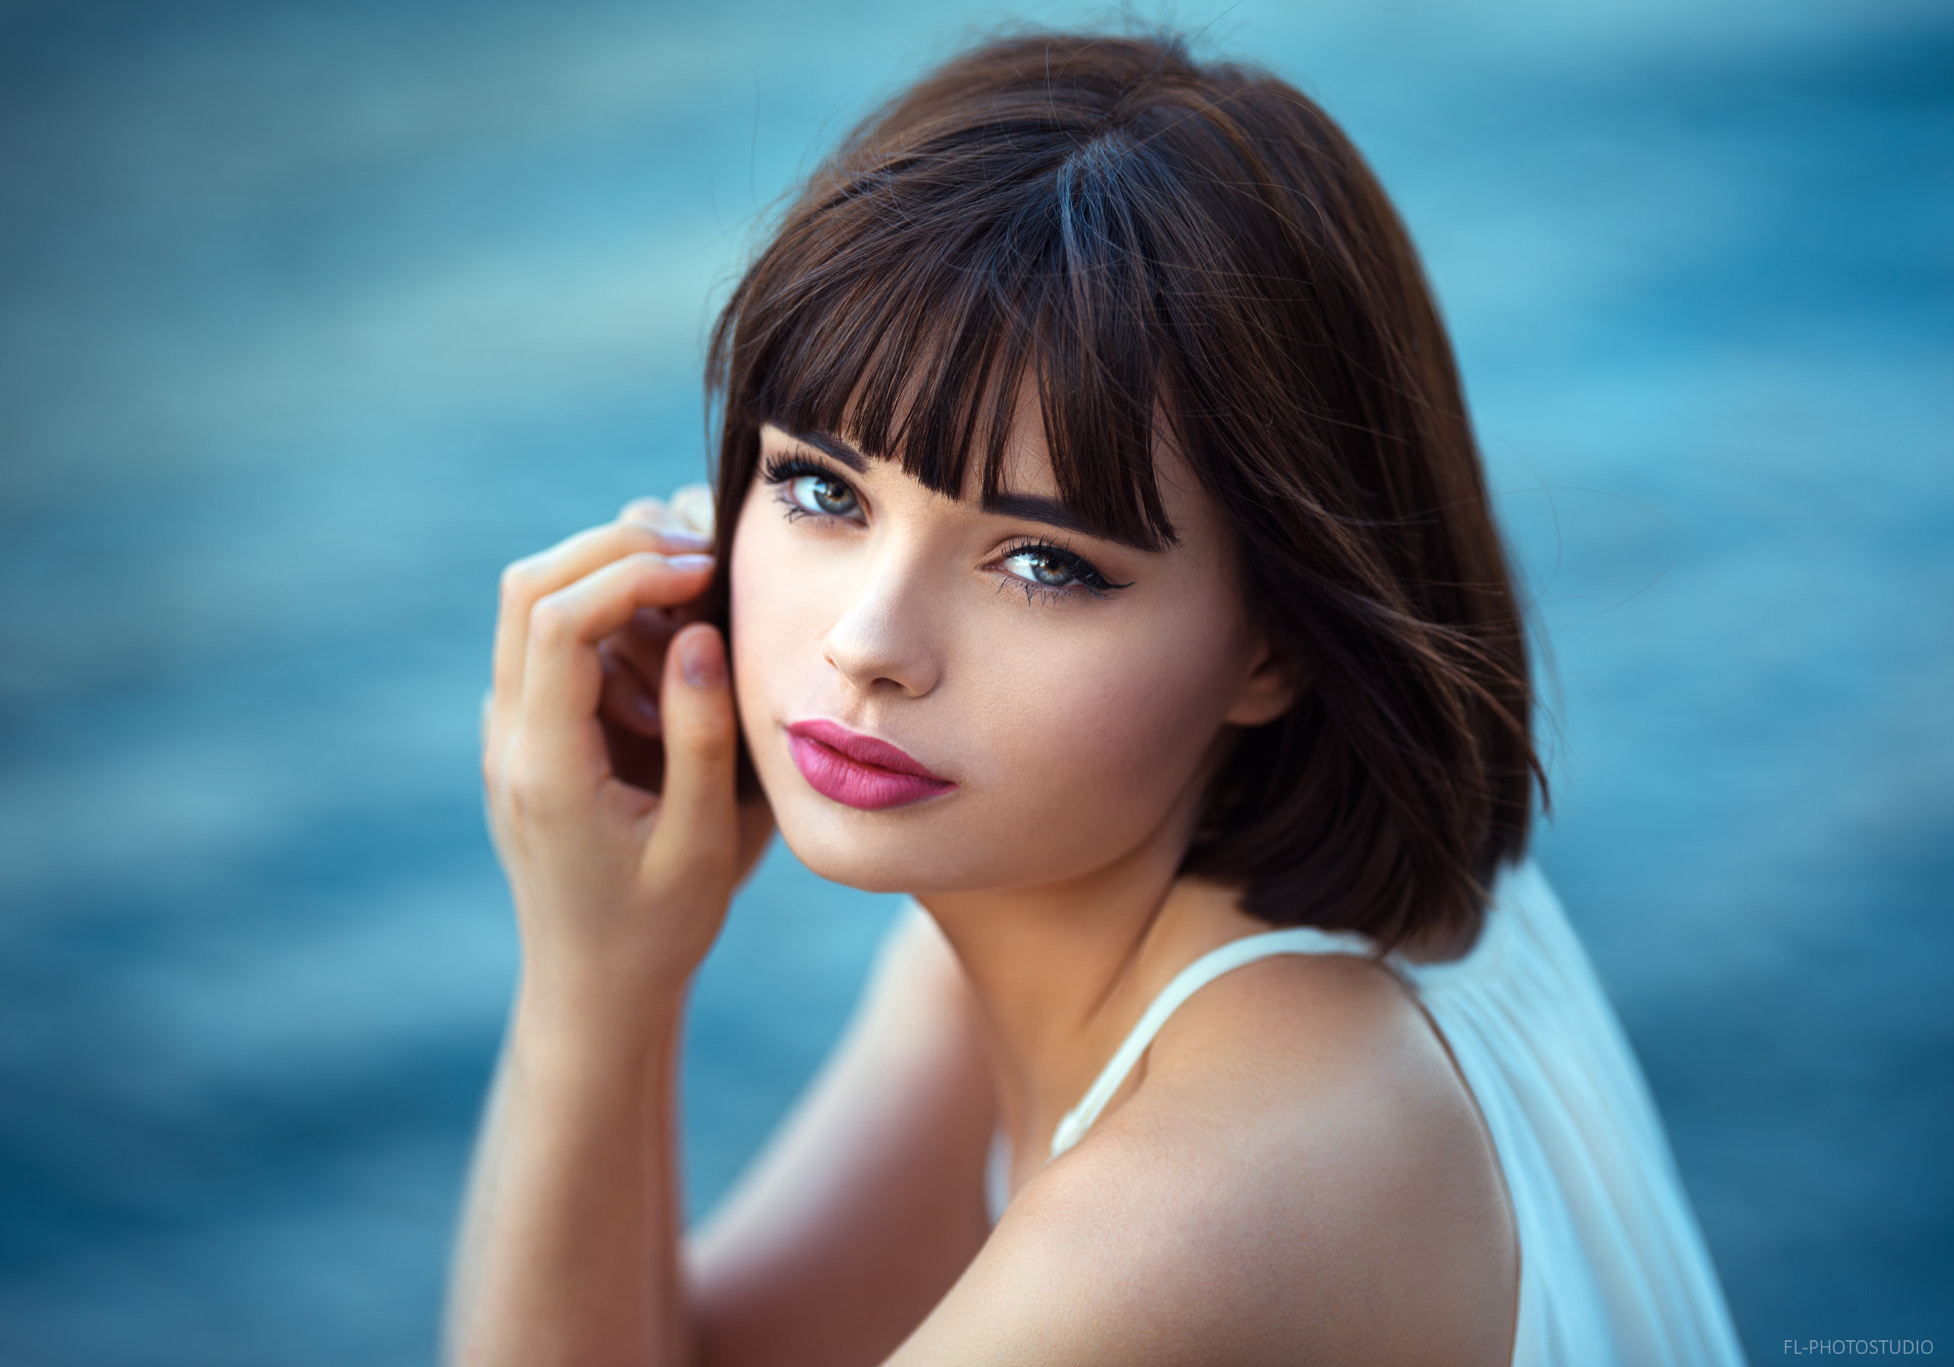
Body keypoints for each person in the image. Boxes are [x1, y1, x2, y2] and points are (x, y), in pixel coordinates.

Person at [446, 30, 1747, 1367]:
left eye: (1044, 562)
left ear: (1275, 645)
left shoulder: (1197, 1216)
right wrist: (607, 968)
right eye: (825, 491)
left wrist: (585, 984)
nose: (868, 644)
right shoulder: (1077, 901)